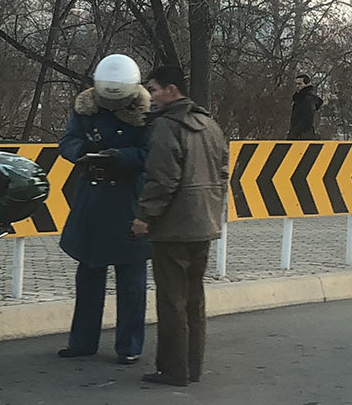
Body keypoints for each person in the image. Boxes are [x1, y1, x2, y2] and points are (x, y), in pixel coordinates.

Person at [131, 64, 228, 387]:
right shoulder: (209, 124)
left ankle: (173, 369)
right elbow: (223, 171)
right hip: (204, 223)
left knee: (172, 301)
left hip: (174, 226)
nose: (151, 97)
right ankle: (192, 366)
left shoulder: (167, 127)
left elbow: (162, 179)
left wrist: (145, 217)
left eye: (155, 89)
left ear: (172, 90)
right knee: (194, 298)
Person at [56, 53, 153, 365]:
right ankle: (82, 341)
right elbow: (67, 141)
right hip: (92, 200)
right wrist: (83, 153)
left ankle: (130, 345)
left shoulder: (146, 115)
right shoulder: (85, 110)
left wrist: (119, 157)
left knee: (132, 282)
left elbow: (151, 154)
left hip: (128, 201)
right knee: (89, 275)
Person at [287, 73, 323, 140]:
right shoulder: (300, 98)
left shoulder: (308, 99)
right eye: (296, 84)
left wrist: (294, 133)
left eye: (300, 84)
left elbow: (307, 120)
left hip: (302, 137)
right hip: (300, 135)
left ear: (307, 84)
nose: (297, 86)